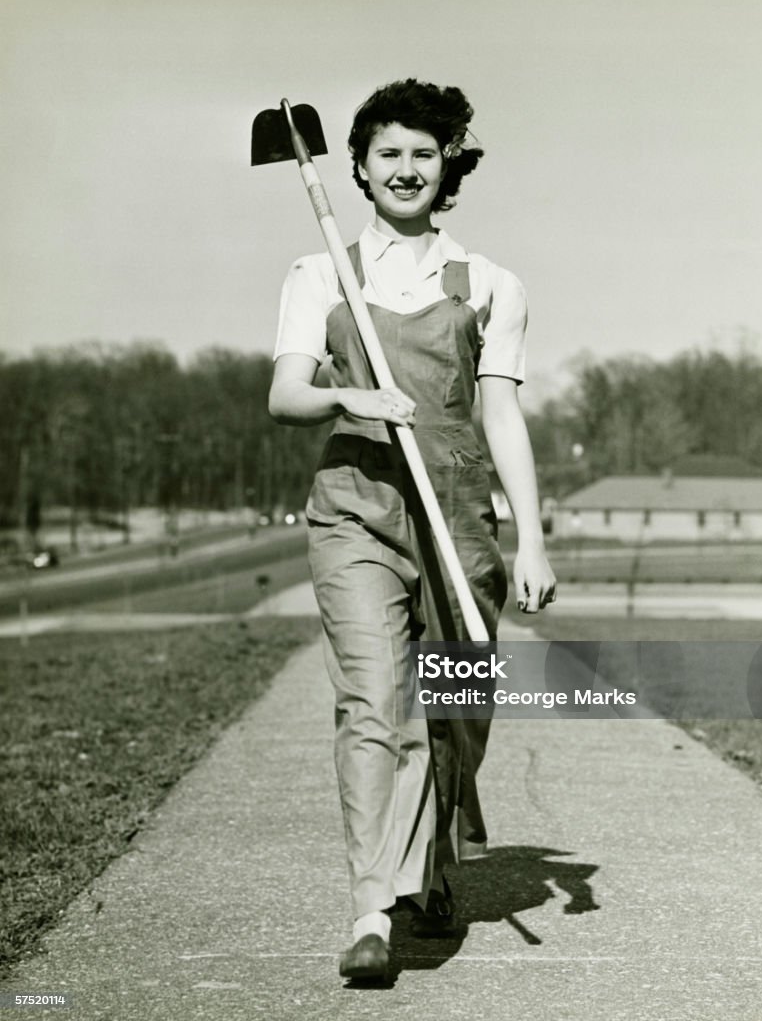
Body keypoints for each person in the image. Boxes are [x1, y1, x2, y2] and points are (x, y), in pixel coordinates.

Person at [268, 79, 556, 980]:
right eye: (387, 153)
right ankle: (370, 909)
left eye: (422, 154)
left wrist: (533, 536)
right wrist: (347, 393)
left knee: (458, 705)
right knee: (374, 705)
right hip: (356, 509)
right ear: (357, 167)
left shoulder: (490, 285)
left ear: (447, 169)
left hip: (457, 516)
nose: (405, 169)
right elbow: (284, 396)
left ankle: (435, 853)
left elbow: (501, 413)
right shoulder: (319, 274)